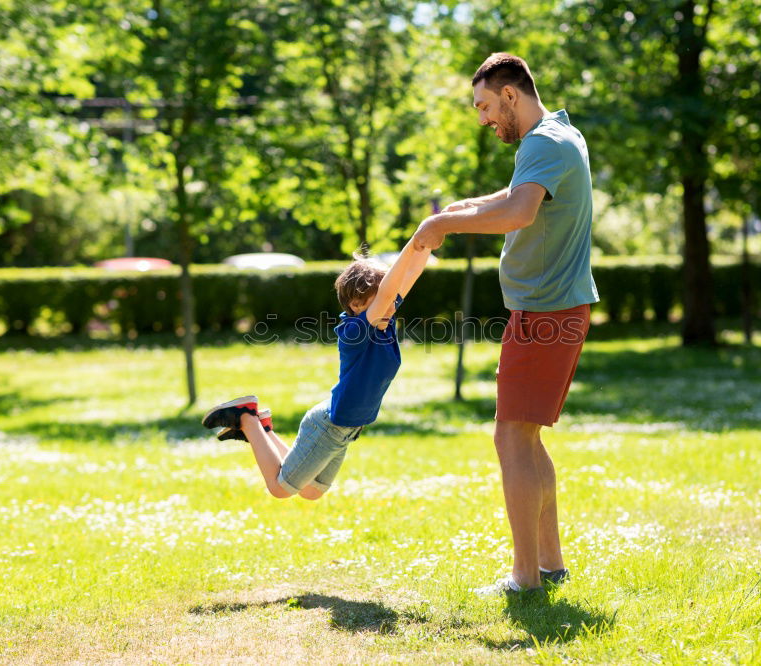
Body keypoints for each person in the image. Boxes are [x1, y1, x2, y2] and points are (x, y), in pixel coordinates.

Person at [413, 53, 599, 594]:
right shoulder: (562, 133)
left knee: (511, 440)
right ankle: (549, 564)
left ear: (511, 95)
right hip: (556, 309)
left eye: (486, 106)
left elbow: (520, 214)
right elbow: (518, 196)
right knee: (527, 438)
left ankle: (525, 578)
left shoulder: (542, 142)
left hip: (544, 313)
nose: (483, 119)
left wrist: (444, 223)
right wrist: (468, 205)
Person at [202, 239, 431, 500]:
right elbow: (390, 289)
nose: (394, 305)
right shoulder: (355, 331)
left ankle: (263, 430)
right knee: (280, 489)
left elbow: (411, 273)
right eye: (386, 300)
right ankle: (246, 418)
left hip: (345, 428)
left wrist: (430, 235)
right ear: (356, 305)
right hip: (330, 426)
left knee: (311, 491)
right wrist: (412, 244)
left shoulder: (383, 321)